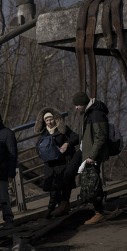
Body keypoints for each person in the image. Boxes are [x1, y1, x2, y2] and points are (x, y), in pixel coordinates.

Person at [34, 107, 80, 219]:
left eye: (51, 119)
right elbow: (38, 148)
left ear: (55, 119)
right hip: (50, 165)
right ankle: (59, 209)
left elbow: (76, 137)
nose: (49, 122)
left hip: (62, 163)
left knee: (60, 187)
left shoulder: (63, 129)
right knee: (53, 188)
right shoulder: (43, 133)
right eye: (47, 120)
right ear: (44, 122)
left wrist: (67, 143)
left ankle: (51, 210)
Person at [72, 91, 110, 225]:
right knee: (92, 182)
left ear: (83, 103)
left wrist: (91, 156)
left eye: (77, 105)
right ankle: (99, 211)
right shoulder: (87, 113)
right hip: (86, 153)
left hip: (92, 155)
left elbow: (101, 137)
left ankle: (99, 212)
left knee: (93, 183)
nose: (76, 107)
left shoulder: (96, 114)